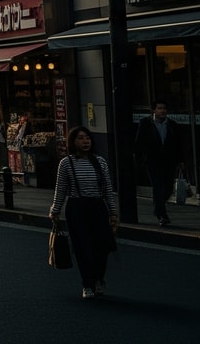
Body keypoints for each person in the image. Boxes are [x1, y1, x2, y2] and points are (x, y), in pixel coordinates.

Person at [49, 126, 119, 299]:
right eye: (80, 138)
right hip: (76, 207)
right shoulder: (66, 163)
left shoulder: (100, 161)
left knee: (102, 247)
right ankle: (87, 283)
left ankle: (99, 279)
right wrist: (55, 210)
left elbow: (107, 189)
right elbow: (61, 189)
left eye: (87, 138)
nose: (85, 141)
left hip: (97, 206)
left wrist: (113, 213)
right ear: (72, 142)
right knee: (82, 248)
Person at [133, 101, 186, 226]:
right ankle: (162, 215)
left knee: (167, 188)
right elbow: (139, 142)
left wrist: (181, 160)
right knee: (157, 186)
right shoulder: (145, 123)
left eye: (164, 108)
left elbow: (178, 144)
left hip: (168, 161)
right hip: (152, 161)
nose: (163, 111)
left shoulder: (172, 125)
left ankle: (158, 208)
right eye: (160, 108)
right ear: (154, 110)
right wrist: (141, 159)